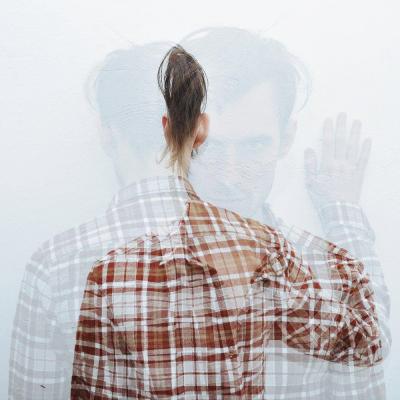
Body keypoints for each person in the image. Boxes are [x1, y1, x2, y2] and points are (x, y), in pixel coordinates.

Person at [70, 44, 383, 399]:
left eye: (254, 145)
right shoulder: (116, 278)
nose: (231, 177)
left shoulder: (332, 273)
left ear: (286, 139)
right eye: (212, 146)